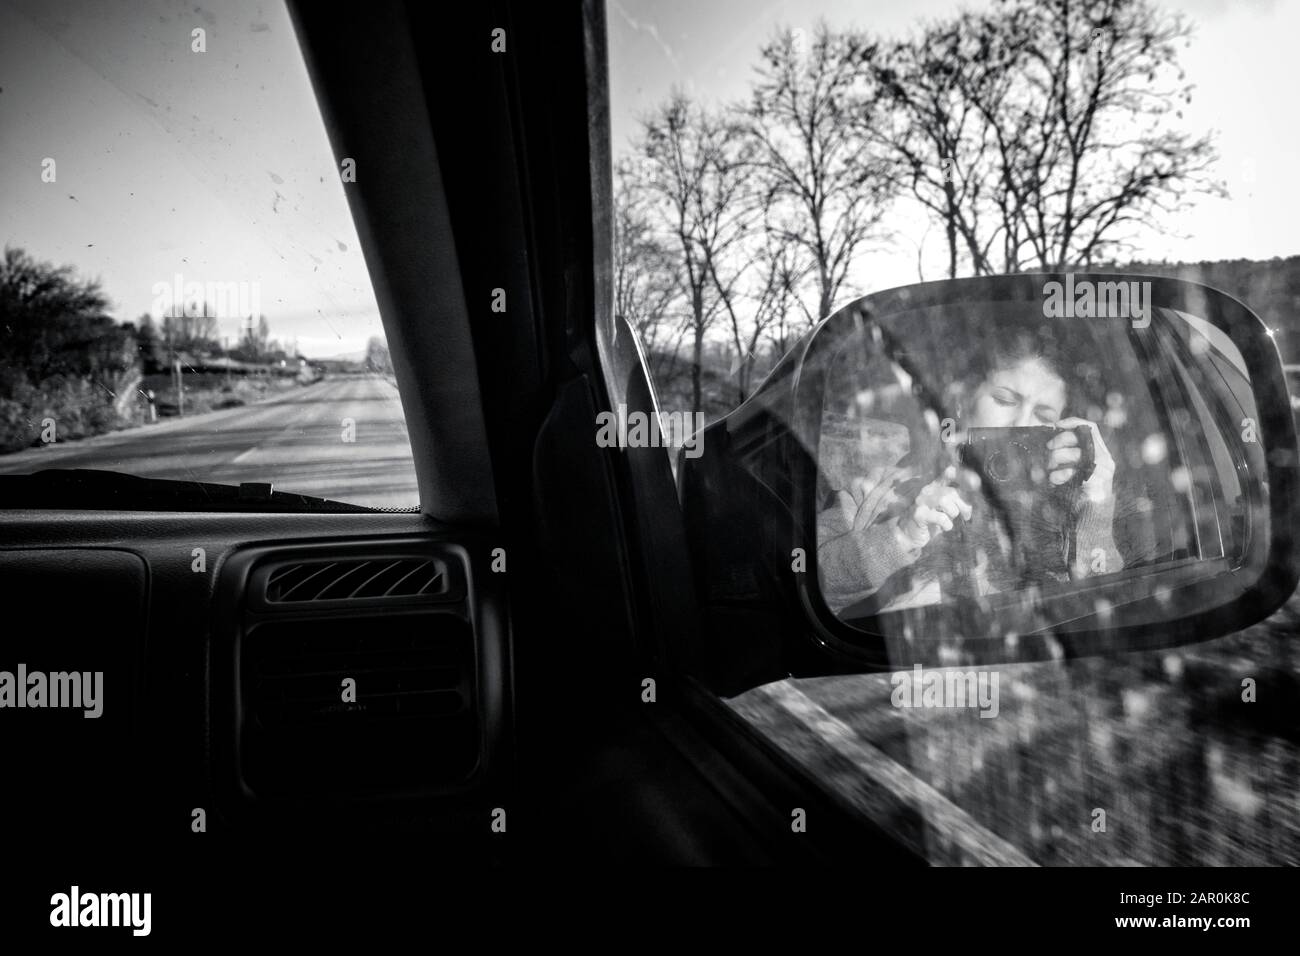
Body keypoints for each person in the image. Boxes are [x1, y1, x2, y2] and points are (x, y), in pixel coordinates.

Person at [817, 326, 1123, 615]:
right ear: (963, 404)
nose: (1021, 423)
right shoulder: (879, 487)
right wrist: (900, 536)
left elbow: (1103, 609)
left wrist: (1096, 503)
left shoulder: (1066, 507)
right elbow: (810, 583)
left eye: (1043, 415)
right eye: (1005, 400)